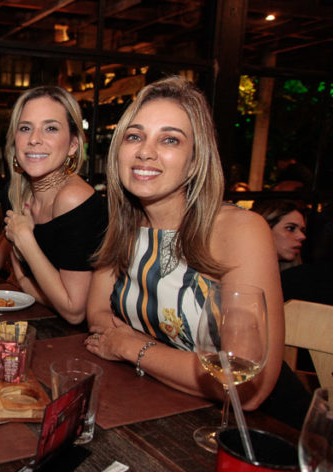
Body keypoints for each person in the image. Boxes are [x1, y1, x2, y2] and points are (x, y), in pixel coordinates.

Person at [85, 76, 286, 416]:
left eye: (170, 140)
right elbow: (97, 314)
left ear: (195, 161)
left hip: (256, 431)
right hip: (163, 406)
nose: (145, 152)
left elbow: (243, 385)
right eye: (134, 136)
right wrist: (152, 357)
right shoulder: (126, 224)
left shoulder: (240, 230)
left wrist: (131, 348)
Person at [1, 86, 108, 324]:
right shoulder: (19, 194)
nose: (34, 139)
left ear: (72, 144)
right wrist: (25, 283)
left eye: (50, 128)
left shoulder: (73, 199)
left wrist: (24, 240)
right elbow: (32, 287)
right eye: (25, 128)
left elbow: (74, 311)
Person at [252, 199, 333, 305]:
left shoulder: (301, 281)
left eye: (302, 230)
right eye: (290, 228)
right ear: (263, 229)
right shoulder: (241, 278)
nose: (302, 236)